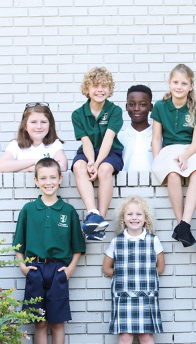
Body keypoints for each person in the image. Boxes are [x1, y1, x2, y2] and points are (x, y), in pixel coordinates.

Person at [13, 157, 86, 344]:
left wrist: (70, 269)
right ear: (36, 181)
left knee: (57, 321)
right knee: (40, 322)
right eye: (43, 178)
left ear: (60, 179)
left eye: (52, 177)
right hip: (35, 270)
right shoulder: (28, 210)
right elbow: (18, 245)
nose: (48, 182)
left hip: (57, 271)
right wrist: (24, 267)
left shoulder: (68, 211)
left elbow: (78, 247)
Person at [102, 195, 165, 344]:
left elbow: (160, 267)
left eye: (138, 214)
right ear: (123, 218)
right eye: (130, 214)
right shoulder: (117, 242)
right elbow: (107, 268)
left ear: (146, 218)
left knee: (146, 336)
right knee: (125, 337)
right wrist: (124, 277)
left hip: (146, 296)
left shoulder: (153, 241)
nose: (134, 217)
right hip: (124, 297)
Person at [151, 64, 196, 247]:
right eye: (175, 82)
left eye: (184, 83)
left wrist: (185, 156)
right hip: (169, 149)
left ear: (191, 86)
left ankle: (184, 224)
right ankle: (182, 226)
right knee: (173, 175)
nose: (179, 86)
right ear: (169, 83)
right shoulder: (160, 106)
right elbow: (156, 137)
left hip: (192, 149)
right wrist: (157, 160)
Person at [71, 67, 124, 241]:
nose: (100, 89)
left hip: (110, 152)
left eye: (104, 85)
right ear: (87, 89)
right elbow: (85, 142)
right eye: (95, 86)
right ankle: (93, 213)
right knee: (79, 166)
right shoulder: (78, 114)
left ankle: (99, 220)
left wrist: (97, 163)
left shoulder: (115, 110)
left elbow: (108, 140)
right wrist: (90, 161)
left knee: (104, 171)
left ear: (110, 89)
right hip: (89, 152)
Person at [0, 103, 67, 173]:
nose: (39, 126)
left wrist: (28, 169)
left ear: (50, 125)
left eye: (43, 122)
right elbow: (2, 166)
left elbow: (63, 166)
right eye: (33, 122)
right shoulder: (15, 145)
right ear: (25, 126)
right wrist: (36, 161)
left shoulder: (55, 144)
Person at [118, 85, 154, 172]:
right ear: (126, 107)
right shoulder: (119, 137)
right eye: (132, 104)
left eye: (142, 104)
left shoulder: (158, 137)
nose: (136, 108)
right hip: (125, 185)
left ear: (151, 107)